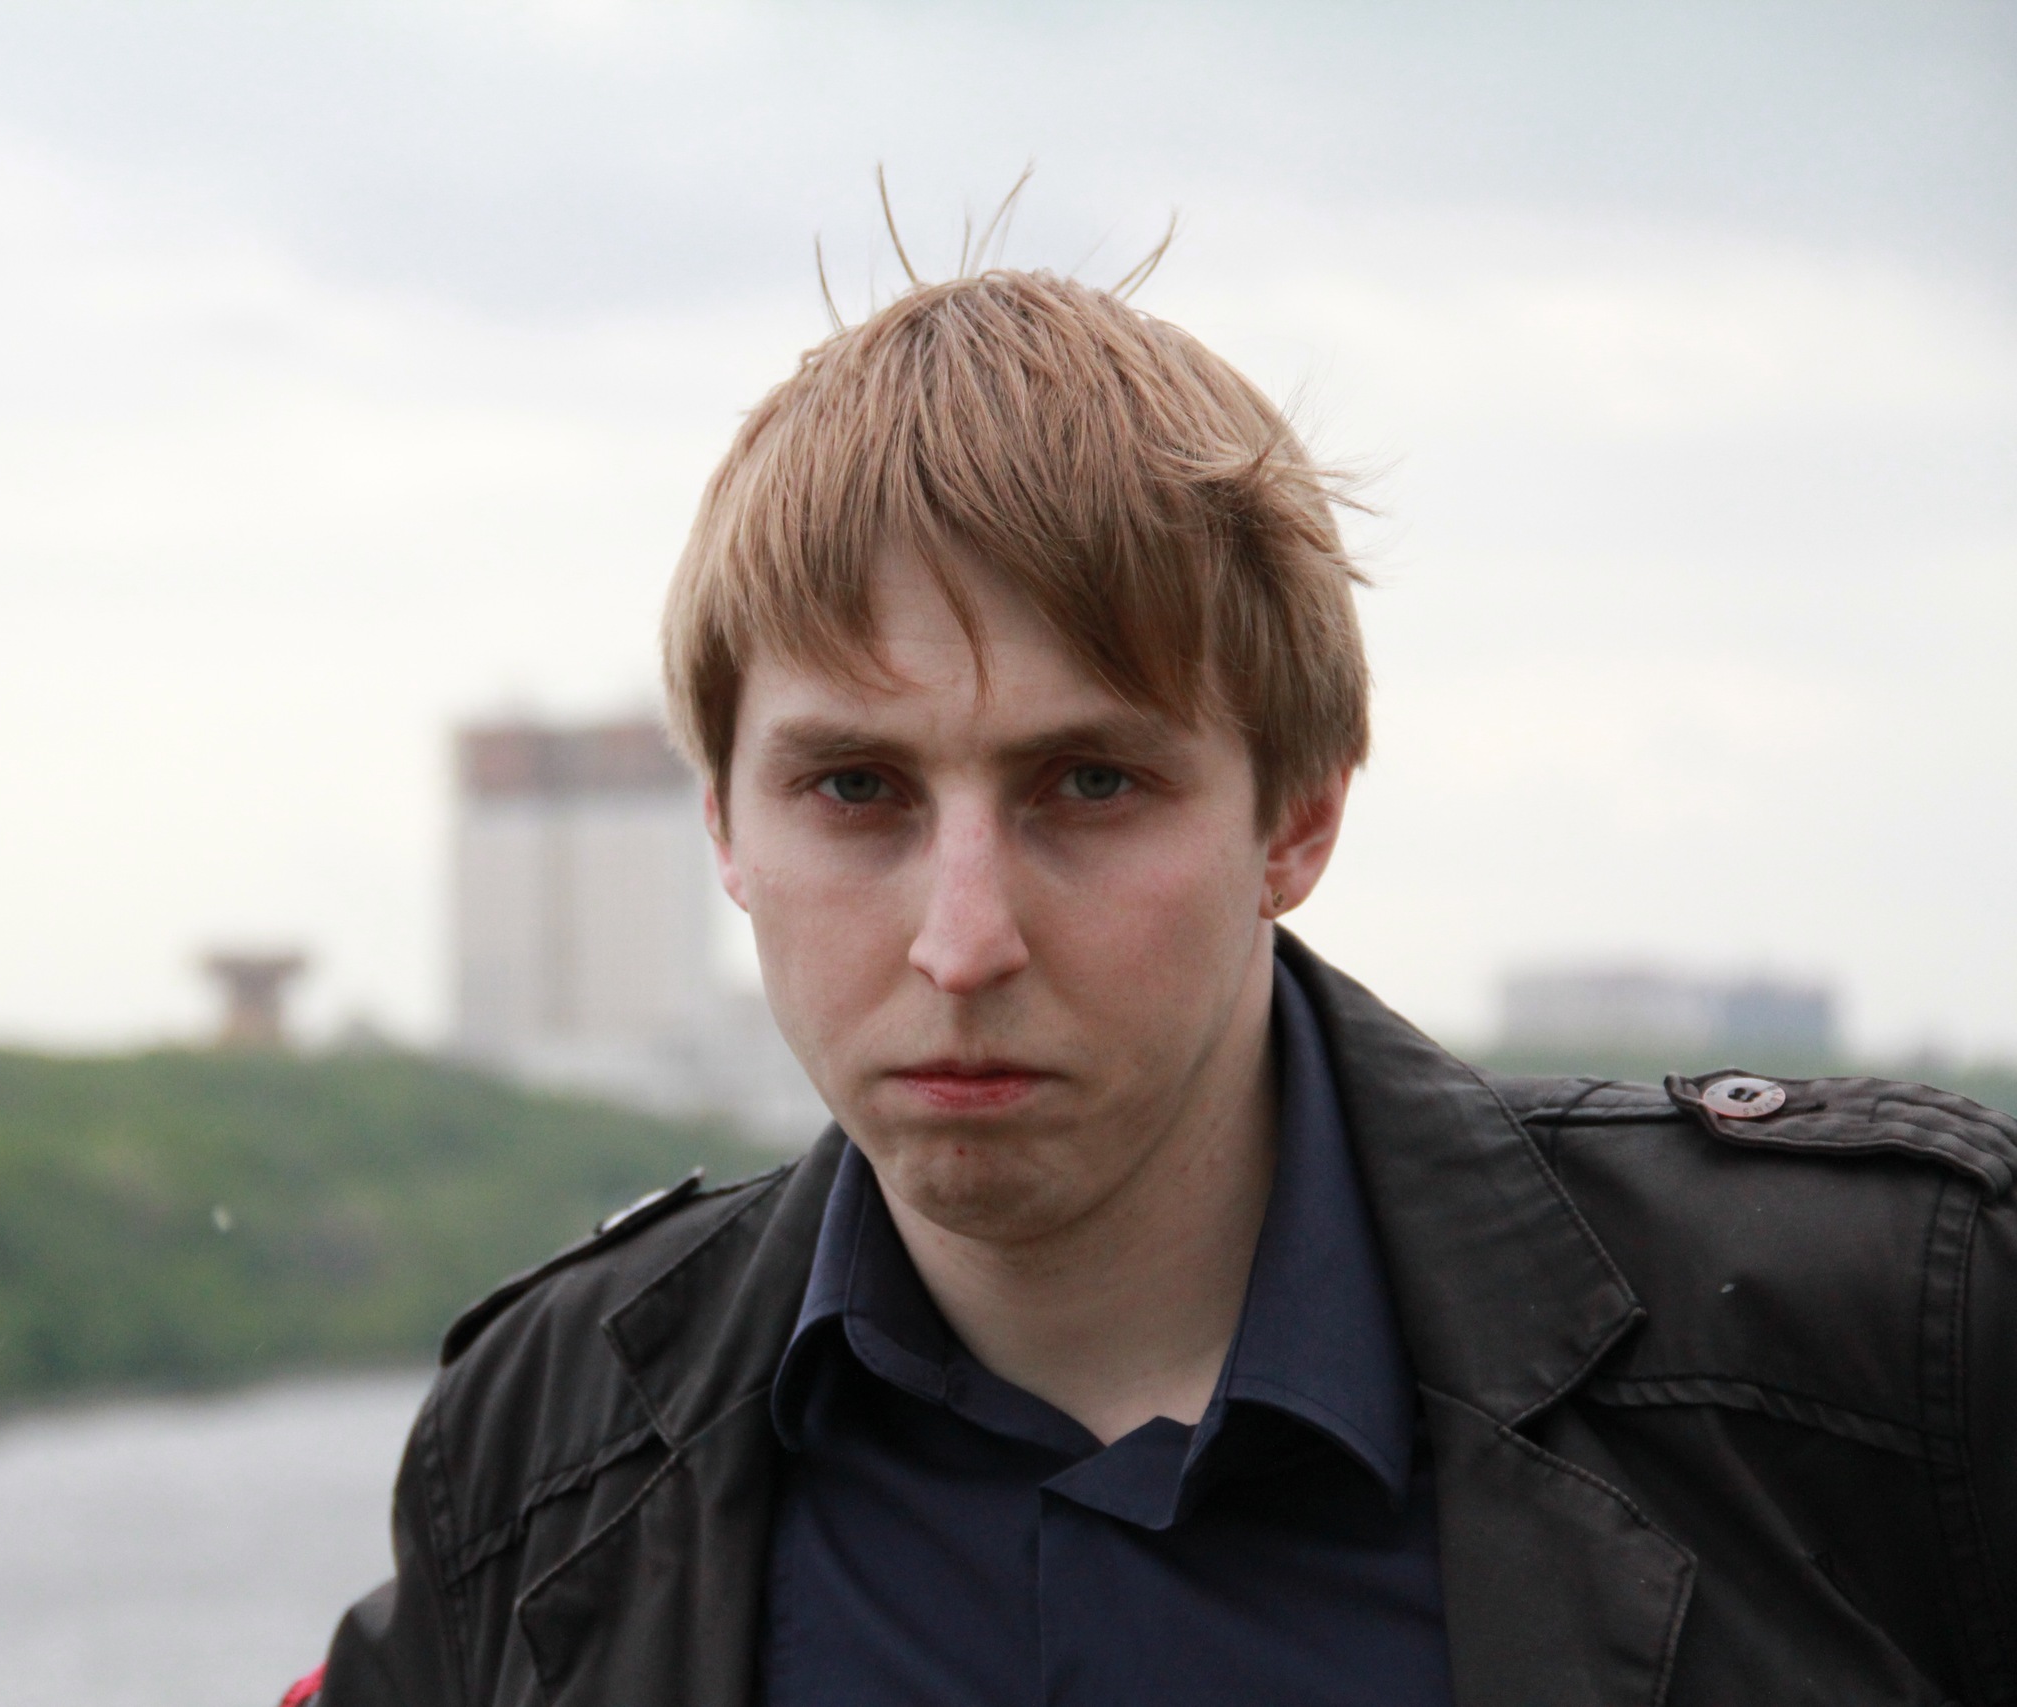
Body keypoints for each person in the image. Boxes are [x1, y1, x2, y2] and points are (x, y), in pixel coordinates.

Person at [304, 263, 2017, 1704]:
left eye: (1091, 784)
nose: (963, 941)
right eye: (857, 789)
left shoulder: (1890, 1343)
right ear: (725, 830)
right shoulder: (541, 1450)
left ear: (1300, 815)